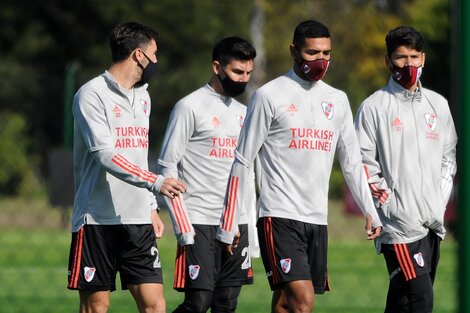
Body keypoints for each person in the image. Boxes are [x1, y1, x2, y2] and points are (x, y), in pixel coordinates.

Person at [216, 20, 383, 313]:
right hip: (278, 216)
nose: (321, 61)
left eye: (327, 53)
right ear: (294, 51)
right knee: (303, 302)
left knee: (285, 303)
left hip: (317, 219)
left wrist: (369, 208)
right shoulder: (269, 96)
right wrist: (231, 218)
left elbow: (352, 162)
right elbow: (243, 159)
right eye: (312, 53)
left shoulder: (337, 100)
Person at [67, 21, 187, 313]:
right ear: (138, 55)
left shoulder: (143, 96)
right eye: (154, 53)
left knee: (155, 305)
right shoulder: (90, 94)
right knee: (96, 306)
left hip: (137, 221)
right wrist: (155, 183)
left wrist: (148, 205)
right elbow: (105, 154)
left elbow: (137, 153)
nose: (157, 61)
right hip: (96, 220)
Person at [354, 26, 457, 313]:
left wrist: (438, 203)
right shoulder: (374, 107)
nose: (408, 64)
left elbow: (448, 159)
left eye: (414, 57)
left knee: (401, 302)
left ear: (423, 58)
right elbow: (362, 164)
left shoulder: (438, 105)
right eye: (401, 57)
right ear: (388, 61)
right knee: (421, 299)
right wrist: (389, 206)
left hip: (432, 223)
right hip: (398, 226)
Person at [157, 36, 257, 313]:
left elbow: (247, 175)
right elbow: (167, 165)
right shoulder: (189, 106)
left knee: (226, 303)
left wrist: (245, 222)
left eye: (248, 73)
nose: (243, 79)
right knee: (198, 303)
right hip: (199, 220)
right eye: (237, 72)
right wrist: (182, 225)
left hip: (235, 225)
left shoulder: (245, 114)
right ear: (217, 67)